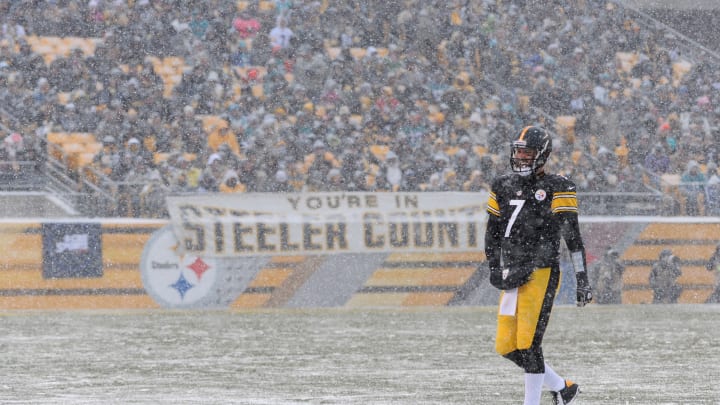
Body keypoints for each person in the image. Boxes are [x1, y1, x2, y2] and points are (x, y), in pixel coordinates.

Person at [484, 126, 592, 405]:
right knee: (506, 346)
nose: (520, 157)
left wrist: (582, 278)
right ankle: (563, 388)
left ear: (541, 155)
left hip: (541, 271)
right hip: (512, 272)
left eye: (527, 152)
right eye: (517, 151)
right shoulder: (502, 185)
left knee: (529, 344)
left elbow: (573, 238)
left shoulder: (558, 186)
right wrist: (495, 267)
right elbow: (492, 232)